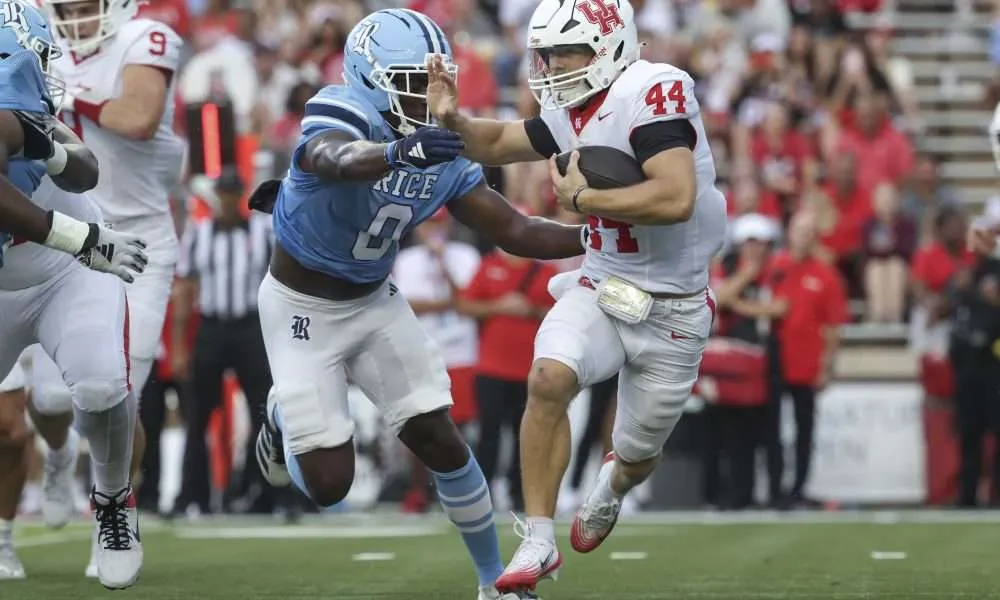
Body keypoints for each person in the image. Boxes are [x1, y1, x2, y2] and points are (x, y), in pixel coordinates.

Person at [251, 9, 583, 600]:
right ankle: (281, 417)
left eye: (435, 79)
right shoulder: (342, 107)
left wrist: (597, 235)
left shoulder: (441, 146)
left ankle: (494, 583)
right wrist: (400, 153)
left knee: (439, 439)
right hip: (302, 305)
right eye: (411, 81)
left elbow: (513, 230)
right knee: (329, 484)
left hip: (373, 299)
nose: (427, 95)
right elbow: (331, 157)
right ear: (370, 78)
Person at [425, 0, 727, 590]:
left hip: (675, 305)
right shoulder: (570, 106)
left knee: (637, 455)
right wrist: (452, 119)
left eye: (568, 50)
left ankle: (612, 484)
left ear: (610, 46)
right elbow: (498, 140)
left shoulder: (652, 89)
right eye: (548, 52)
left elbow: (675, 197)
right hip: (605, 280)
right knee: (548, 378)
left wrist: (584, 200)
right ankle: (538, 541)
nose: (554, 64)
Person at [29, 0, 185, 576]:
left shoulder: (146, 37)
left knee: (119, 394)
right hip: (68, 236)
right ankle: (57, 452)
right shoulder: (33, 39)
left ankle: (113, 510)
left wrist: (68, 99)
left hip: (137, 238)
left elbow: (136, 116)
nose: (74, 18)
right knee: (51, 401)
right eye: (64, 8)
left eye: (84, 6)